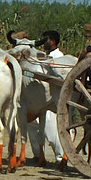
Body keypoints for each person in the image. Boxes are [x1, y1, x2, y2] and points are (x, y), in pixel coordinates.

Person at [29, 29, 66, 164]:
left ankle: (60, 157)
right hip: (40, 96)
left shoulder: (59, 57)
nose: (43, 43)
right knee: (33, 125)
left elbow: (59, 76)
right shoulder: (43, 55)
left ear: (52, 41)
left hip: (53, 96)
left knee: (50, 129)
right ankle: (38, 155)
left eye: (45, 40)